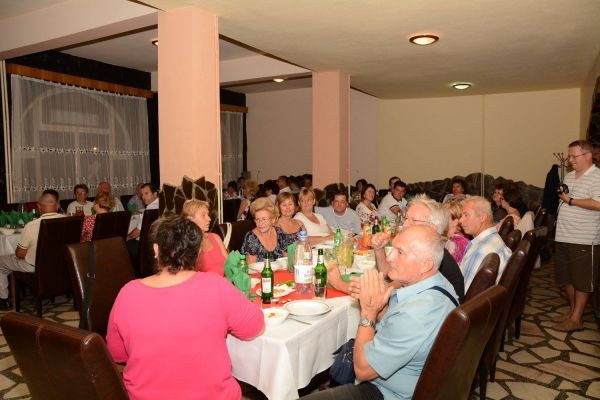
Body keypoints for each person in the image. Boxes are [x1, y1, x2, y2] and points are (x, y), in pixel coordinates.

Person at [107, 217, 264, 400]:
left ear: (156, 250)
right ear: (198, 252)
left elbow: (117, 353)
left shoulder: (128, 293)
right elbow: (255, 328)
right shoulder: (215, 286)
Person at [303, 226, 457, 400]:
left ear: (425, 264)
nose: (389, 257)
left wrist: (368, 312)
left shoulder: (416, 314)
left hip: (387, 393)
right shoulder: (439, 284)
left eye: (400, 252)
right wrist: (380, 307)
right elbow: (399, 323)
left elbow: (362, 370)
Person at [367, 194, 465, 302]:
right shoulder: (419, 250)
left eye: (413, 220)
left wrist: (372, 295)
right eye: (406, 219)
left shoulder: (433, 258)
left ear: (432, 228)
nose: (404, 225)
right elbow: (388, 273)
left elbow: (390, 287)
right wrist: (379, 249)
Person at [553, 139, 600, 332]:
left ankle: (576, 318)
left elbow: (598, 203)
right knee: (567, 278)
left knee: (582, 281)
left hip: (584, 238)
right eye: (569, 156)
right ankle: (573, 313)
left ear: (588, 156)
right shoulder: (570, 175)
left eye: (574, 156)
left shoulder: (597, 176)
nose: (570, 160)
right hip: (563, 235)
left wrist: (571, 200)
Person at [0, 193, 64, 310]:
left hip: (35, 266)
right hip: (62, 263)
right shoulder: (68, 220)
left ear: (39, 206)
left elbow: (20, 254)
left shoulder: (31, 225)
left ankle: (3, 300)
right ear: (58, 205)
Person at [459, 196, 512, 291]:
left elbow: (463, 292)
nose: (460, 220)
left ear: (482, 217)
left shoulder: (480, 251)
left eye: (466, 215)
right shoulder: (492, 239)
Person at [241, 197, 296, 263]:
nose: (260, 223)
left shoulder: (279, 232)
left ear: (273, 220)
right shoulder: (251, 237)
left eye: (264, 219)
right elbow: (251, 266)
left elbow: (288, 258)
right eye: (257, 219)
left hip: (280, 269)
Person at [181, 200, 228, 276]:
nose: (209, 219)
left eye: (208, 215)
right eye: (203, 215)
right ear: (190, 220)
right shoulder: (187, 244)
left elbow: (229, 264)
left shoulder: (215, 237)